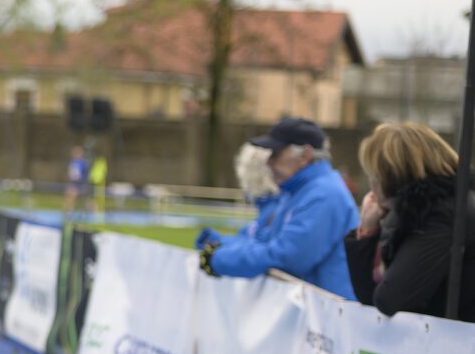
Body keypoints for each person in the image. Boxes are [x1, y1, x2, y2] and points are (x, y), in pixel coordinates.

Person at [197, 117, 358, 298]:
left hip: (326, 311)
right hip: (313, 308)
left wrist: (219, 260)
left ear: (305, 156)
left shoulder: (324, 194)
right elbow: (263, 240)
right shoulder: (298, 192)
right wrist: (221, 245)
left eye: (275, 154)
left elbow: (289, 257)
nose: (268, 162)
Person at [345, 122, 475, 320]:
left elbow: (390, 299)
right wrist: (367, 230)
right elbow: (371, 298)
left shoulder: (444, 213)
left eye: (374, 175)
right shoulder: (421, 211)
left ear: (392, 176)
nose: (371, 183)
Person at [63, 146, 88, 215]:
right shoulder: (73, 163)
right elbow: (71, 174)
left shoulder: (82, 163)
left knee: (74, 196)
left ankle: (69, 212)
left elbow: (81, 175)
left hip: (80, 185)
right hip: (73, 184)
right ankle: (67, 211)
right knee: (69, 195)